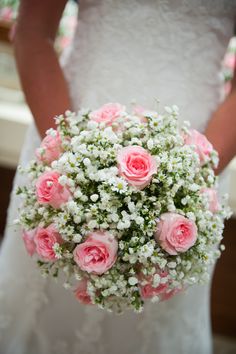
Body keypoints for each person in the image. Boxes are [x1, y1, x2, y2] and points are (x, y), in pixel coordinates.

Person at [0, 1, 236, 353]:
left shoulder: (188, 177)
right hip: (67, 129)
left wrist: (188, 179)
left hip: (193, 151)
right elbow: (34, 30)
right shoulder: (68, 160)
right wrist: (72, 164)